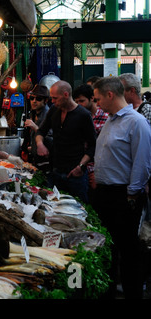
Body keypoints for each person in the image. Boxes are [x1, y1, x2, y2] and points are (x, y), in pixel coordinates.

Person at [93, 76, 151, 299]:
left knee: (128, 251)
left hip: (124, 195)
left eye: (98, 99)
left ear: (110, 95)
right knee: (108, 248)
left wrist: (131, 194)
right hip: (106, 193)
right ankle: (108, 292)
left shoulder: (136, 122)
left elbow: (143, 162)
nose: (96, 104)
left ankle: (132, 294)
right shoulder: (111, 120)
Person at [36, 80, 96, 203]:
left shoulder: (83, 115)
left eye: (55, 98)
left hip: (75, 174)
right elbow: (40, 131)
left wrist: (80, 166)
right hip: (56, 171)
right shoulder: (53, 111)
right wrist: (40, 144)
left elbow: (93, 145)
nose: (52, 101)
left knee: (79, 207)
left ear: (66, 95)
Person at [73, 83, 109, 203]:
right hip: (82, 169)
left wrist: (97, 172)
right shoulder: (79, 117)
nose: (79, 104)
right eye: (76, 101)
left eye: (82, 101)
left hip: (98, 170)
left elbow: (105, 148)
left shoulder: (105, 116)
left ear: (92, 99)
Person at [23, 84, 53, 186]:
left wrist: (35, 127)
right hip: (36, 160)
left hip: (47, 163)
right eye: (32, 98)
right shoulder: (33, 113)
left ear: (45, 101)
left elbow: (50, 137)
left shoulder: (48, 114)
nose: (34, 101)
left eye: (38, 99)